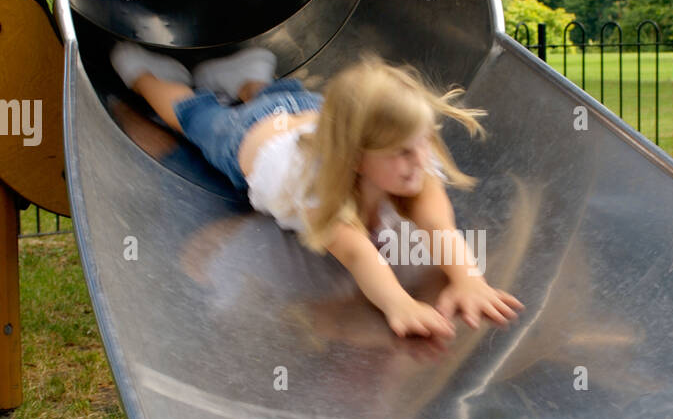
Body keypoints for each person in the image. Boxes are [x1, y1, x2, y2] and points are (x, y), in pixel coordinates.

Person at [110, 42, 524, 340]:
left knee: (283, 97)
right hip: (251, 136)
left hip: (313, 109)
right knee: (193, 114)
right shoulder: (315, 189)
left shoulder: (407, 155)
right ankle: (147, 76)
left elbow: (439, 226)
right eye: (402, 152)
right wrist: (400, 304)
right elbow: (360, 253)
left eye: (423, 142)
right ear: (358, 159)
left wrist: (469, 280)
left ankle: (245, 77)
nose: (421, 161)